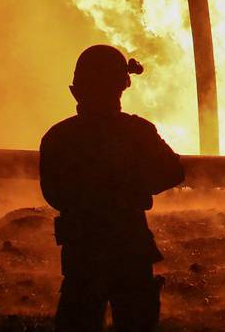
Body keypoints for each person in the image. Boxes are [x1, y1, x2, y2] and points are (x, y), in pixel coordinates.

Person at [38, 45, 186, 332]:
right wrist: (134, 189)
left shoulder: (59, 137)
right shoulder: (137, 131)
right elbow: (173, 171)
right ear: (123, 86)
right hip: (129, 245)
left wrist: (89, 198)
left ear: (76, 91)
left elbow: (54, 194)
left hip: (82, 249)